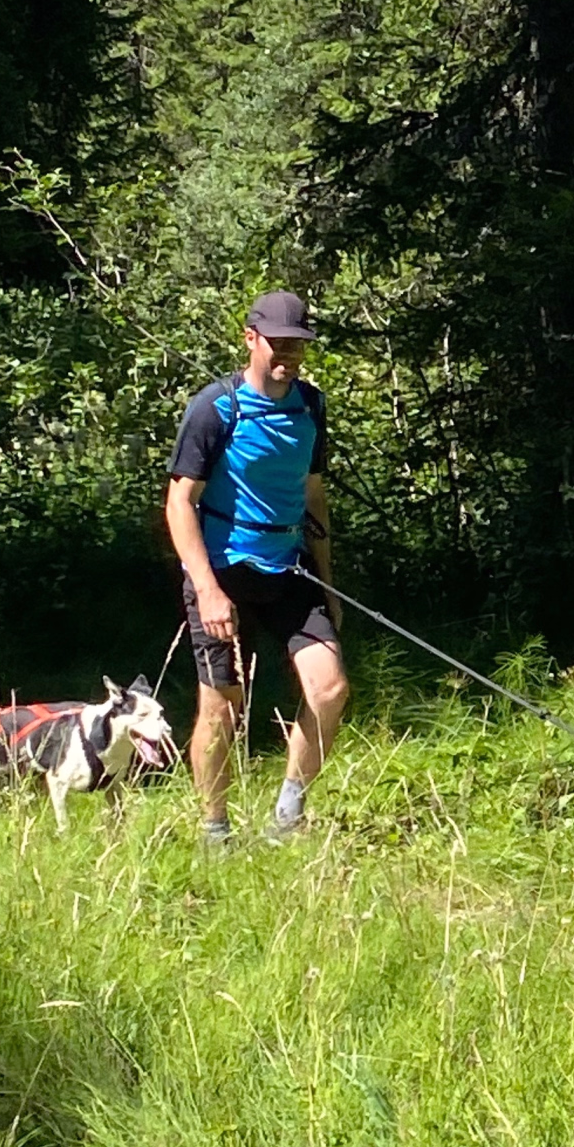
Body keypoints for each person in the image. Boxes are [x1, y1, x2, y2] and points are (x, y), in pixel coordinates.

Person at [165, 290, 349, 848]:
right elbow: (179, 503)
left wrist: (330, 583)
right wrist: (207, 589)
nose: (287, 354)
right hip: (222, 572)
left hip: (289, 567)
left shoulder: (310, 407)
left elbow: (312, 496)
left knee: (330, 688)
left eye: (296, 344)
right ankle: (215, 829)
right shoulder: (215, 407)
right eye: (278, 342)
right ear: (251, 339)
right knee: (223, 705)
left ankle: (288, 814)